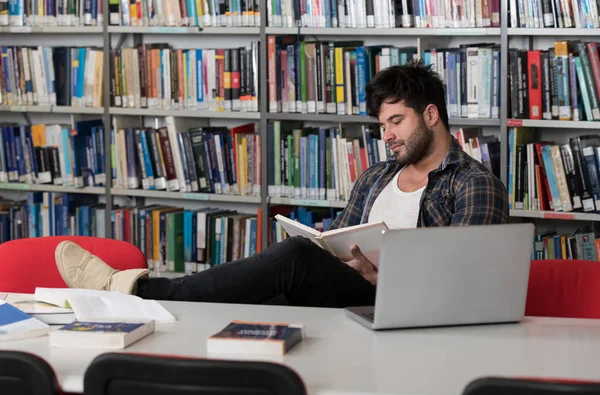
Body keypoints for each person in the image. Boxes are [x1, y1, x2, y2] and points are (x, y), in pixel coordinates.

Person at [54, 59, 508, 308]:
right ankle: (145, 310)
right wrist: (328, 248)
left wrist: (387, 274)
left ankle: (138, 293)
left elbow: (462, 283)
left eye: (396, 121)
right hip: (351, 301)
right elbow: (335, 245)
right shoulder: (376, 177)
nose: (386, 135)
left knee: (292, 259)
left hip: (402, 305)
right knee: (258, 301)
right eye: (380, 125)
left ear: (431, 115)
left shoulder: (472, 183)